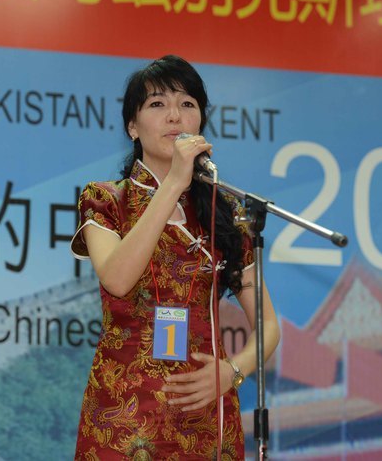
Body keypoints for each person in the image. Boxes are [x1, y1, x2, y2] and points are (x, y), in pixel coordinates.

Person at [70, 55, 280, 460]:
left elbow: (267, 324)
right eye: (157, 104)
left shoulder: (226, 214)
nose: (174, 116)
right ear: (132, 126)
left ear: (200, 122)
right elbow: (117, 279)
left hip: (207, 416)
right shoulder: (106, 199)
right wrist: (174, 183)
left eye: (187, 104)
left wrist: (233, 372)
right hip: (125, 418)